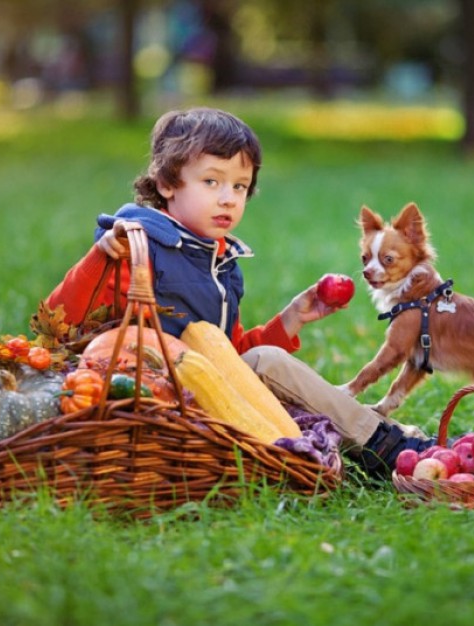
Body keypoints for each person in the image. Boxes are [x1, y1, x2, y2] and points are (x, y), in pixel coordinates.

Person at [46, 107, 433, 477]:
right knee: (267, 361)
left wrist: (290, 320)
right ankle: (383, 444)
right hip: (147, 400)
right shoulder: (135, 245)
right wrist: (100, 258)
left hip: (211, 395)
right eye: (211, 182)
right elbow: (57, 324)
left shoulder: (221, 263)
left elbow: (231, 358)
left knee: (267, 359)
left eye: (240, 186)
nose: (228, 198)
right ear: (166, 184)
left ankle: (383, 442)